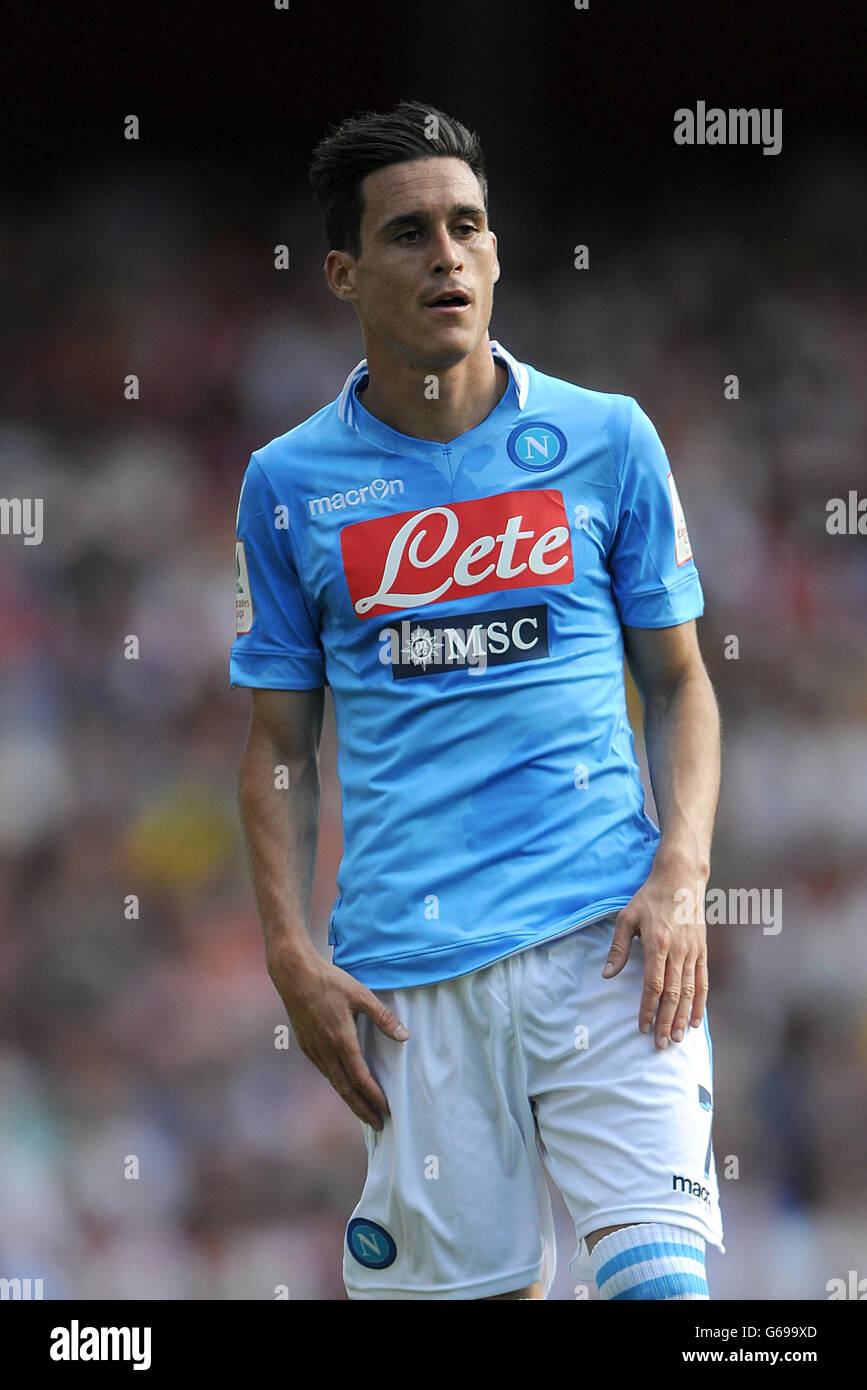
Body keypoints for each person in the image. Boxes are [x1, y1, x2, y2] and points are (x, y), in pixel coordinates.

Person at [230, 100, 725, 1300]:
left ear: (496, 253)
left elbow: (682, 682)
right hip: (413, 976)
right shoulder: (287, 486)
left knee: (668, 1294)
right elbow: (277, 745)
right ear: (343, 272)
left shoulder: (607, 440)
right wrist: (290, 953)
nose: (447, 255)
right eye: (409, 234)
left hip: (610, 938)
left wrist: (683, 873)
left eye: (468, 227)